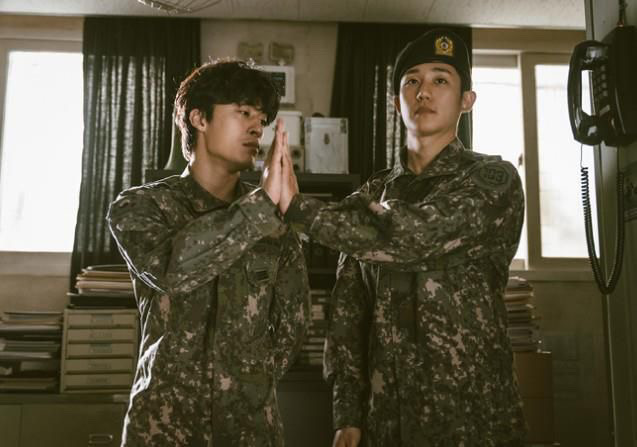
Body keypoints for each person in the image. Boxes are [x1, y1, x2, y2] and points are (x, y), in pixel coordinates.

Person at [272, 29, 527, 446]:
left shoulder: (492, 181)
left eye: (440, 79)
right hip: (386, 421)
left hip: (473, 420)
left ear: (466, 100)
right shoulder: (371, 194)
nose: (424, 91)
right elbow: (348, 316)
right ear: (396, 103)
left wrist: (298, 208)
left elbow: (415, 236)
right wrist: (347, 415)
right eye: (412, 81)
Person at [107, 60, 310, 447]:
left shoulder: (275, 222)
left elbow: (292, 328)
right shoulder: (142, 206)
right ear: (199, 118)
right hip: (163, 427)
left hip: (250, 430)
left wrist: (245, 382)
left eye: (262, 119)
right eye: (244, 112)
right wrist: (260, 205)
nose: (257, 127)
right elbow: (172, 270)